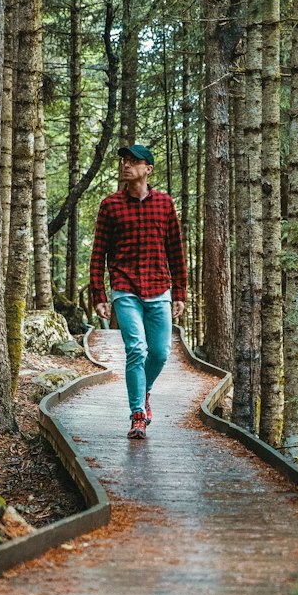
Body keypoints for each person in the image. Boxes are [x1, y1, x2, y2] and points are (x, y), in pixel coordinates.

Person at [88, 144, 187, 440]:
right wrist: (99, 295)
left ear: (148, 169)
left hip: (159, 288)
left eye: (134, 162)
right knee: (136, 350)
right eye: (124, 161)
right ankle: (137, 415)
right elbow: (98, 253)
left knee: (159, 352)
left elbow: (176, 252)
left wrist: (180, 292)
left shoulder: (165, 204)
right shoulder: (110, 206)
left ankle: (144, 391)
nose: (126, 165)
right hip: (125, 288)